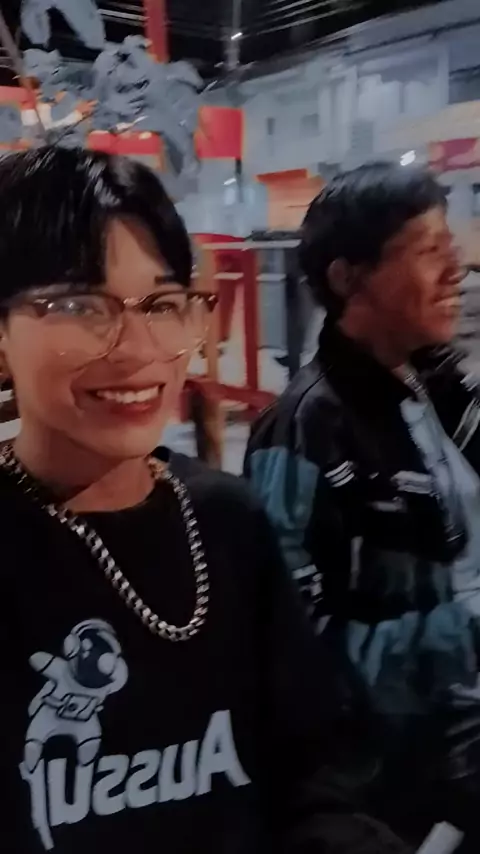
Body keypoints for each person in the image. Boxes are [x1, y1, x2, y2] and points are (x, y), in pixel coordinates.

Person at [0, 146, 407, 854]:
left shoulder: (227, 520)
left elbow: (310, 775)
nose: (137, 349)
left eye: (163, 304)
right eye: (78, 304)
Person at [244, 162, 480, 852]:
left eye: (451, 246)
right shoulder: (304, 433)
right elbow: (302, 656)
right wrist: (467, 631)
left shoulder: (441, 388)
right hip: (402, 758)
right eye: (428, 250)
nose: (456, 269)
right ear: (349, 278)